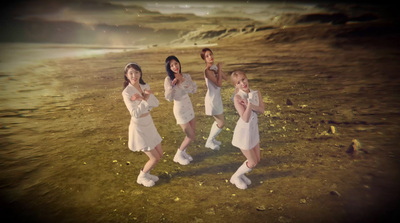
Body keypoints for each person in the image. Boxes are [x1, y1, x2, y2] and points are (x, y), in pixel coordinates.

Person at [122, 62, 163, 187]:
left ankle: (147, 173)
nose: (134, 75)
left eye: (137, 72)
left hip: (149, 123)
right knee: (154, 158)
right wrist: (144, 99)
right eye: (131, 73)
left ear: (140, 73)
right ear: (127, 75)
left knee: (160, 154)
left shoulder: (145, 85)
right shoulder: (126, 92)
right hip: (139, 127)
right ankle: (142, 176)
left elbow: (156, 103)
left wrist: (142, 98)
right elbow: (134, 113)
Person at [229, 70, 265, 189]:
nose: (242, 84)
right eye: (238, 82)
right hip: (244, 133)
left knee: (257, 159)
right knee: (253, 162)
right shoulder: (237, 97)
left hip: (253, 131)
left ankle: (241, 173)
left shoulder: (256, 93)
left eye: (243, 79)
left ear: (247, 78)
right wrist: (248, 105)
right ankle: (235, 177)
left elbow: (261, 110)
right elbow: (245, 118)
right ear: (236, 85)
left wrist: (250, 103)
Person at [164, 55, 197, 165]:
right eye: (171, 65)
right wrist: (172, 87)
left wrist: (182, 81)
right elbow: (169, 98)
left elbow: (193, 89)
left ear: (179, 63)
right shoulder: (168, 79)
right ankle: (178, 155)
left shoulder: (186, 76)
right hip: (179, 109)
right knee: (190, 135)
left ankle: (183, 152)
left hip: (188, 105)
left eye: (176, 64)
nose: (174, 66)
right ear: (169, 68)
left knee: (193, 133)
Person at [200, 48, 228, 150]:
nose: (210, 57)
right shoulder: (207, 71)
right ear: (204, 59)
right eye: (207, 56)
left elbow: (225, 78)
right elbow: (219, 84)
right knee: (221, 123)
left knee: (218, 122)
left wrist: (218, 68)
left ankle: (211, 139)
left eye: (211, 54)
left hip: (217, 98)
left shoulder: (214, 67)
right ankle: (209, 141)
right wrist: (219, 69)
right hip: (211, 100)